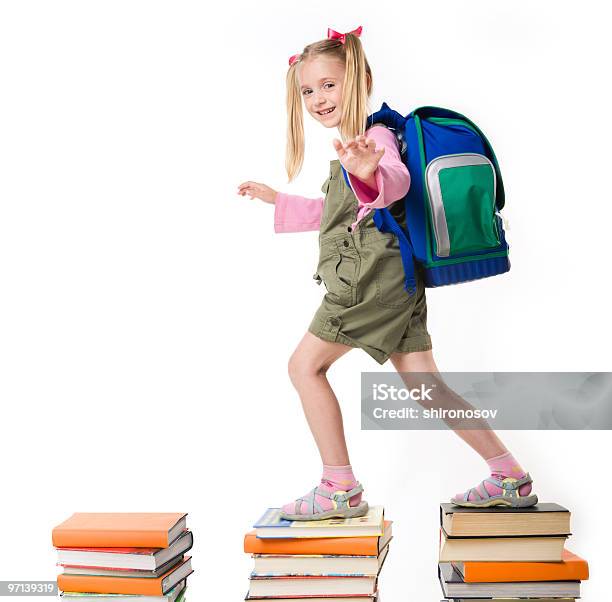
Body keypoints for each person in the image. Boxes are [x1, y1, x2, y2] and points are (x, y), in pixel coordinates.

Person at [237, 26, 536, 520]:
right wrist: (279, 200)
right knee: (425, 386)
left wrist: (371, 170)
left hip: (370, 280)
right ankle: (509, 476)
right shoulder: (357, 146)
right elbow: (344, 210)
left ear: (359, 79)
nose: (317, 98)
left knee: (304, 367)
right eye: (308, 90)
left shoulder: (374, 138)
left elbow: (393, 184)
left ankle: (338, 488)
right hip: (399, 280)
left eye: (328, 85)